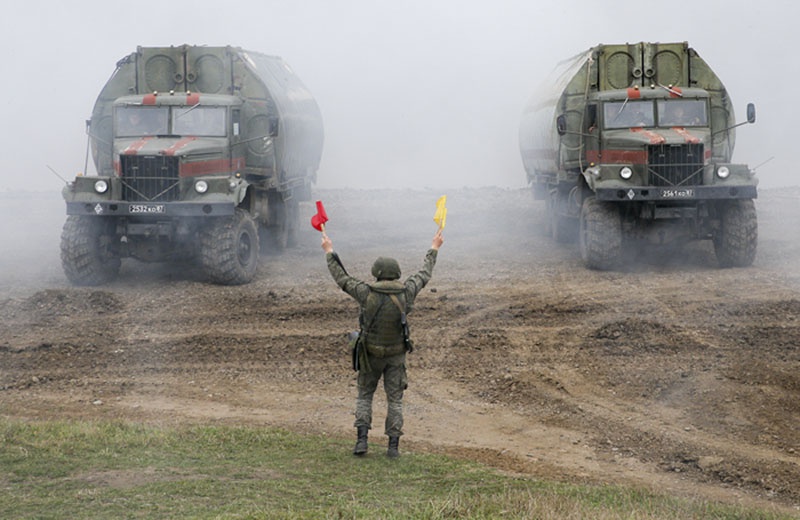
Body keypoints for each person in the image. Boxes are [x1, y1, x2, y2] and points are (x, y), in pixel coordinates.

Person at [322, 228, 444, 458]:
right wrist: (434, 247)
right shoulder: (407, 292)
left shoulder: (366, 293)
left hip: (370, 356)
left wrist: (329, 251)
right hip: (396, 356)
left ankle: (361, 442)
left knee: (364, 396)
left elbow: (342, 279)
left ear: (376, 273)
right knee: (395, 400)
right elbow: (424, 274)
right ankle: (393, 447)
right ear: (396, 273)